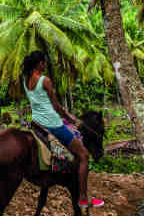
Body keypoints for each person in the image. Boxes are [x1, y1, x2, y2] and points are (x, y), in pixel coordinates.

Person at [22, 51, 104, 208]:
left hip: (37, 123)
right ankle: (83, 198)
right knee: (84, 155)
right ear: (39, 63)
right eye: (44, 62)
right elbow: (56, 106)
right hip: (53, 124)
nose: (45, 65)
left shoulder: (25, 81)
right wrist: (70, 118)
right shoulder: (45, 80)